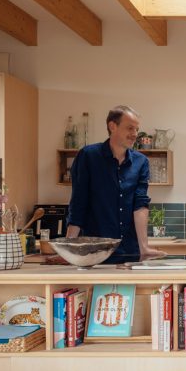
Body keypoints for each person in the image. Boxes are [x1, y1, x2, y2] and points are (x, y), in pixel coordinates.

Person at [66, 105, 164, 263]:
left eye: (137, 129)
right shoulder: (88, 156)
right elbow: (78, 202)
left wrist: (144, 247)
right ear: (112, 126)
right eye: (130, 128)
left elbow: (140, 205)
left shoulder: (141, 162)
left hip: (129, 252)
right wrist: (68, 249)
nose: (135, 134)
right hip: (94, 252)